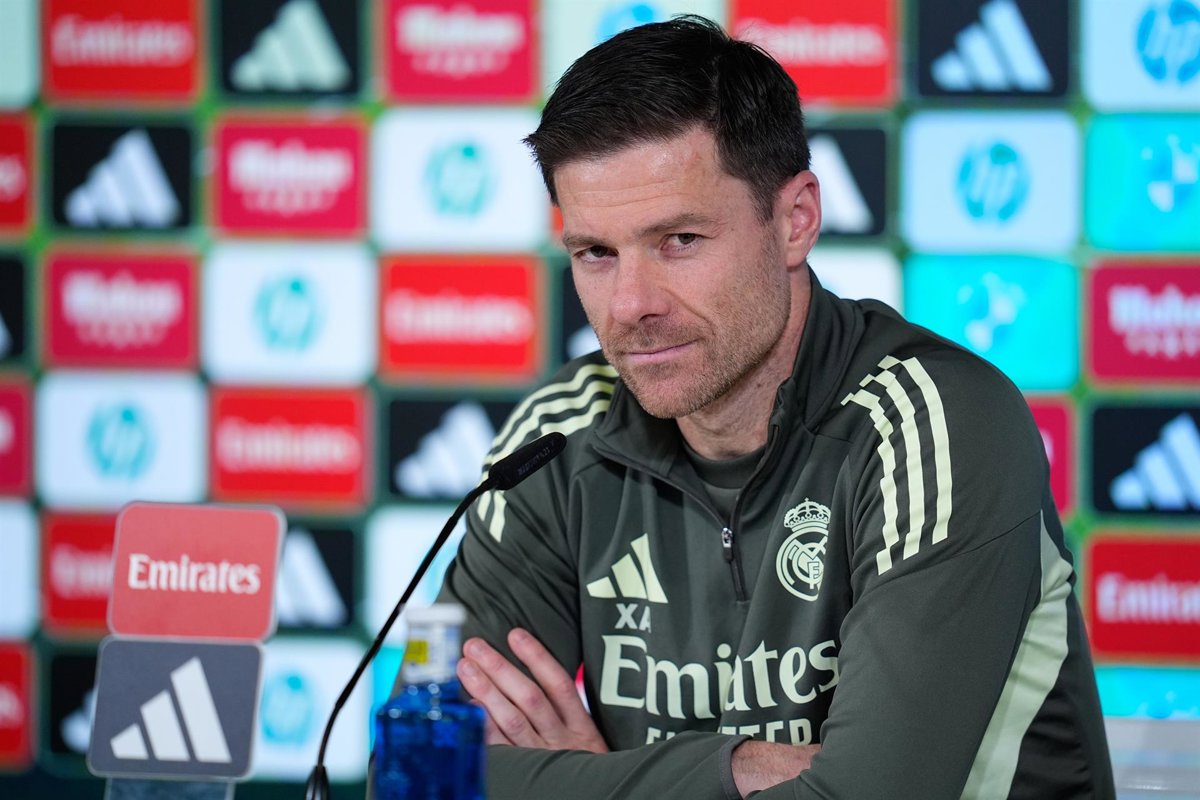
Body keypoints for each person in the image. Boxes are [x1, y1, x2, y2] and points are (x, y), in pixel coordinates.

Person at [436, 15, 1114, 799]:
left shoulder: (936, 423)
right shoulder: (558, 436)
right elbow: (419, 775)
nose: (629, 304)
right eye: (596, 253)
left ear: (796, 221)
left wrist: (584, 785)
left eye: (680, 240)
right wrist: (735, 770)